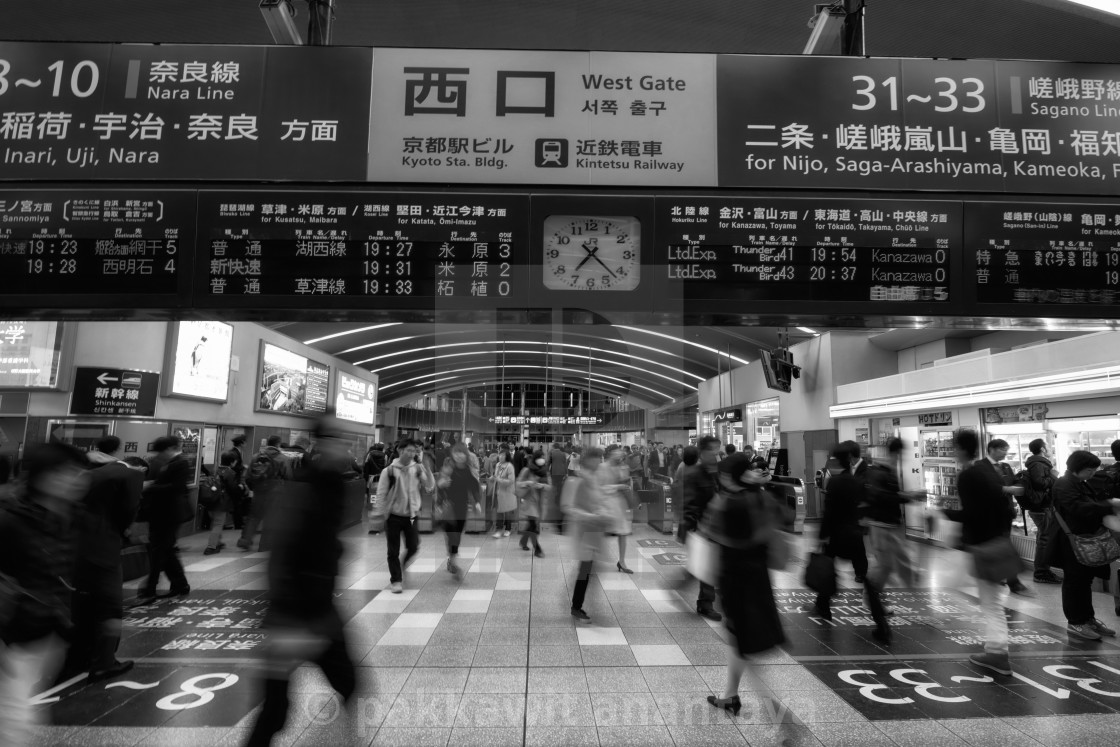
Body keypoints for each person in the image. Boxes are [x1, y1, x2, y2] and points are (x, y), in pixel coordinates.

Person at [246, 420, 358, 747]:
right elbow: (288, 549)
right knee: (281, 705)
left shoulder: (322, 483)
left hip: (302, 611)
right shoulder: (309, 487)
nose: (346, 450)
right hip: (303, 615)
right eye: (340, 442)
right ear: (323, 444)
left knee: (280, 704)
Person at [0, 443, 89, 745]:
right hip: (12, 635)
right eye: (67, 473)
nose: (77, 479)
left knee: (19, 711)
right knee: (14, 718)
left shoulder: (73, 519)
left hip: (47, 633)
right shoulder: (11, 521)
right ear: (42, 477)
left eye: (81, 472)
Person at [704, 452, 787, 718]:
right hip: (759, 577)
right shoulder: (760, 496)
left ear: (728, 476)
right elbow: (782, 518)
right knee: (738, 641)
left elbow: (712, 541)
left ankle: (783, 720)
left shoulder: (726, 503)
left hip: (735, 581)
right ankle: (730, 695)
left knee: (743, 645)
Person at [66, 436, 143, 681]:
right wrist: (122, 533)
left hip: (71, 546)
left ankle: (78, 655)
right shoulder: (129, 475)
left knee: (79, 602)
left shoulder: (82, 471)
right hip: (102, 547)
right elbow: (127, 513)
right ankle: (104, 661)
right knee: (110, 605)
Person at [945, 429, 1018, 676]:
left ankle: (997, 653)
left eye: (954, 448)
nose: (953, 452)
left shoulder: (969, 476)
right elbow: (1006, 509)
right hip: (996, 543)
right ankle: (996, 650)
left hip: (983, 547)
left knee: (991, 603)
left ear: (962, 449)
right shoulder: (989, 471)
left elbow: (971, 514)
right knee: (989, 598)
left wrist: (943, 513)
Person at [1051, 450, 1119, 641]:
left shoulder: (1081, 483)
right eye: (1090, 470)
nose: (1092, 474)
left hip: (1085, 540)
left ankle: (1088, 618)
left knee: (1084, 581)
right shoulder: (1063, 485)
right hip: (1072, 541)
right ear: (1078, 468)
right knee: (1074, 582)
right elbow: (1078, 509)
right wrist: (1109, 504)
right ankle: (1076, 622)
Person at [862, 437, 921, 642]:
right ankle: (872, 598)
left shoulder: (887, 470)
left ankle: (874, 598)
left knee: (889, 565)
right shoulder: (881, 471)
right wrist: (908, 497)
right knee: (885, 565)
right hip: (881, 526)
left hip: (890, 525)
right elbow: (882, 497)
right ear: (895, 453)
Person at [815, 441, 871, 623]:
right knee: (863, 571)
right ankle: (877, 613)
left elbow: (829, 512)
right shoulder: (856, 481)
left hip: (836, 534)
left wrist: (822, 535)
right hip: (853, 532)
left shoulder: (836, 482)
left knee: (827, 569)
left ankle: (823, 605)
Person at [372, 439, 435, 593]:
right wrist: (379, 513)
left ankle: (403, 564)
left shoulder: (418, 469)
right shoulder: (389, 471)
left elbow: (429, 488)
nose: (412, 453)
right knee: (393, 550)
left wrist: (427, 470)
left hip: (412, 516)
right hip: (393, 515)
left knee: (413, 546)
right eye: (409, 450)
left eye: (414, 451)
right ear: (400, 451)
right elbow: (381, 494)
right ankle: (396, 580)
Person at [976, 439, 1035, 597]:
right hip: (988, 515)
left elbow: (1014, 482)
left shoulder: (1006, 467)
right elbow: (981, 489)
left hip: (1005, 513)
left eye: (1006, 450)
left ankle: (1004, 578)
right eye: (1003, 449)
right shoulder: (980, 467)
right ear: (992, 449)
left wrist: (1022, 482)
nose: (1005, 453)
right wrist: (1005, 488)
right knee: (999, 546)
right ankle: (1011, 581)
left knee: (1004, 545)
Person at [137, 436, 191, 604]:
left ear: (170, 448)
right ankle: (180, 585)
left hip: (170, 514)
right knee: (165, 550)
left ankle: (150, 590)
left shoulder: (180, 463)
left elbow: (177, 488)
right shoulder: (168, 462)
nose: (160, 455)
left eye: (162, 451)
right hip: (162, 514)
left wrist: (151, 486)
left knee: (159, 551)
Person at [564, 448, 612, 623]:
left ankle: (576, 602)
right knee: (585, 568)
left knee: (588, 567)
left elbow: (596, 501)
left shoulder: (593, 479)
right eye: (597, 459)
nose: (600, 462)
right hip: (583, 531)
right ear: (589, 460)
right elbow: (569, 507)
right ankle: (576, 606)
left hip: (592, 531)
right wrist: (592, 516)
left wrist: (602, 511)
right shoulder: (576, 480)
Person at [681, 435, 724, 622]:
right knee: (705, 564)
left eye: (717, 449)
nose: (715, 453)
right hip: (703, 527)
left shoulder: (718, 472)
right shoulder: (694, 474)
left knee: (713, 564)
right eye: (711, 449)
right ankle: (705, 603)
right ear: (702, 452)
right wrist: (693, 526)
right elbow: (689, 503)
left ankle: (689, 583)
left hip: (720, 526)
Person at [238, 435, 293, 552]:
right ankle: (264, 545)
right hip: (275, 493)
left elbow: (248, 476)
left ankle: (245, 541)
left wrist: (254, 488)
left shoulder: (256, 457)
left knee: (253, 517)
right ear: (278, 444)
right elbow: (288, 476)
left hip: (258, 492)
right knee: (270, 518)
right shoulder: (282, 458)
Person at [436, 442, 482, 579]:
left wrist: (477, 502)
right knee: (452, 535)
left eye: (462, 453)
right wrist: (441, 486)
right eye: (456, 453)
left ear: (466, 455)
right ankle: (453, 561)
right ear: (453, 455)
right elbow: (439, 487)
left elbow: (473, 486)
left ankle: (452, 558)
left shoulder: (468, 470)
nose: (459, 455)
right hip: (448, 507)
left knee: (457, 535)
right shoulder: (448, 469)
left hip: (461, 507)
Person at [1025, 438, 1061, 584]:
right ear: (1042, 449)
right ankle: (1041, 572)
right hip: (1042, 506)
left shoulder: (1037, 462)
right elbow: (1040, 483)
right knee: (1045, 539)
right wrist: (1053, 476)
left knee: (1043, 538)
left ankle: (1042, 571)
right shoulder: (1038, 463)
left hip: (1042, 506)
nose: (1049, 448)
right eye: (1047, 446)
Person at [600, 444, 635, 573]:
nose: (620, 454)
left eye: (620, 452)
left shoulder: (622, 467)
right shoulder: (602, 467)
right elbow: (599, 488)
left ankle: (622, 561)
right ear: (610, 453)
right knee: (598, 532)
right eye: (617, 452)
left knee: (623, 532)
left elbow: (626, 482)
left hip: (619, 505)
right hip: (605, 504)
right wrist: (617, 487)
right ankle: (590, 559)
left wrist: (626, 484)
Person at [204, 452, 240, 555]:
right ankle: (211, 547)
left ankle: (217, 542)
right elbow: (233, 489)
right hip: (221, 502)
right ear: (232, 462)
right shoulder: (230, 472)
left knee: (215, 522)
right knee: (218, 524)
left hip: (210, 500)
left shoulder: (214, 470)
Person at [517, 451, 549, 557]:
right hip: (530, 501)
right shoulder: (527, 470)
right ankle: (537, 549)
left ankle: (523, 541)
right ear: (535, 459)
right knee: (534, 526)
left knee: (532, 526)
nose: (542, 459)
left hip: (541, 502)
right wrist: (528, 483)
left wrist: (542, 486)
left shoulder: (545, 471)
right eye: (540, 457)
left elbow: (550, 486)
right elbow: (518, 483)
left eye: (543, 457)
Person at [223, 434, 250, 531]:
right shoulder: (234, 453)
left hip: (234, 481)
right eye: (245, 442)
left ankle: (237, 523)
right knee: (237, 503)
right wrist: (243, 467)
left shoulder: (235, 452)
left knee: (236, 503)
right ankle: (238, 523)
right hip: (234, 482)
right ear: (242, 443)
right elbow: (233, 468)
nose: (246, 444)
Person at [491, 449, 517, 538]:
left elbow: (511, 480)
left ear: (507, 457)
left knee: (507, 511)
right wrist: (493, 478)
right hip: (498, 491)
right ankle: (499, 529)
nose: (500, 457)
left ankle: (508, 529)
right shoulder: (498, 465)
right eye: (500, 455)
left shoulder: (509, 466)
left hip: (508, 492)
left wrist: (499, 480)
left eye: (503, 455)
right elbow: (496, 476)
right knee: (499, 511)